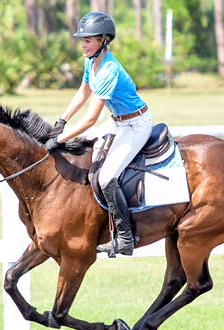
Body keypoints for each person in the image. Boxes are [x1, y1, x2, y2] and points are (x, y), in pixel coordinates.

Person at [44, 11, 153, 256]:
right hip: (116, 122)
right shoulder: (91, 61)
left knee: (106, 178)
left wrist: (59, 140)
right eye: (82, 40)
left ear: (103, 40)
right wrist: (62, 121)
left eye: (89, 40)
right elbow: (83, 93)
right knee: (86, 155)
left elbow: (91, 119)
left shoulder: (109, 70)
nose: (83, 45)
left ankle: (125, 238)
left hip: (136, 125)